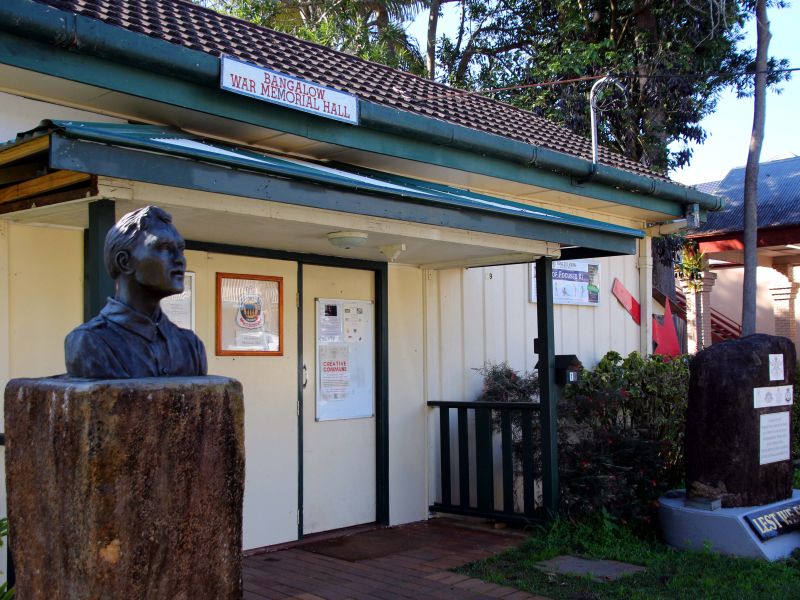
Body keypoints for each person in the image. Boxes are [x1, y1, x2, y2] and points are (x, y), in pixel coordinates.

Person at [65, 206, 207, 378]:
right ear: (125, 262)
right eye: (163, 247)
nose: (180, 260)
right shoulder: (90, 342)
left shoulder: (190, 346)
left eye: (181, 249)